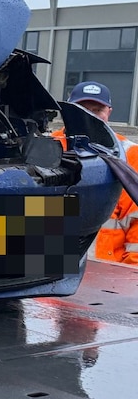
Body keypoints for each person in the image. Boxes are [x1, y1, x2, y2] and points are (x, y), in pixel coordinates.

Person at [53, 81, 138, 264]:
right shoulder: (45, 149)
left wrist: (129, 277)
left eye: (97, 110)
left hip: (105, 277)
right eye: (81, 109)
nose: (89, 117)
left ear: (109, 112)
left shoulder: (131, 155)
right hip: (50, 273)